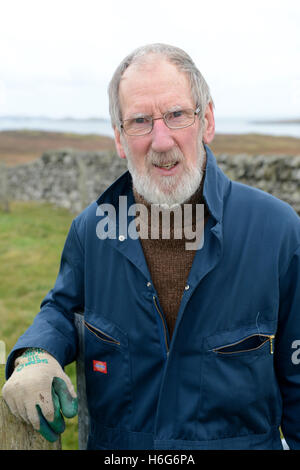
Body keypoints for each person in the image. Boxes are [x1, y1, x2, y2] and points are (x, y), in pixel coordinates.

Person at [2, 43, 300, 450]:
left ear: (206, 120)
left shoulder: (278, 233)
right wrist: (35, 351)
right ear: (120, 139)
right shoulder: (91, 231)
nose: (161, 141)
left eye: (176, 115)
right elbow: (62, 308)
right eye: (140, 121)